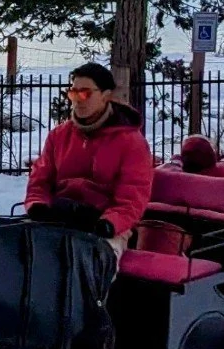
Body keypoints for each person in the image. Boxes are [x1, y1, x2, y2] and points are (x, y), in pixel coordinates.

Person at [24, 62, 154, 252]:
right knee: (24, 252)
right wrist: (38, 205)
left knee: (94, 261)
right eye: (73, 93)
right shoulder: (59, 135)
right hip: (58, 217)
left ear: (106, 96)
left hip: (105, 225)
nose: (78, 100)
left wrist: (109, 223)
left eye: (85, 93)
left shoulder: (131, 142)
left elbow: (132, 198)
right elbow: (40, 179)